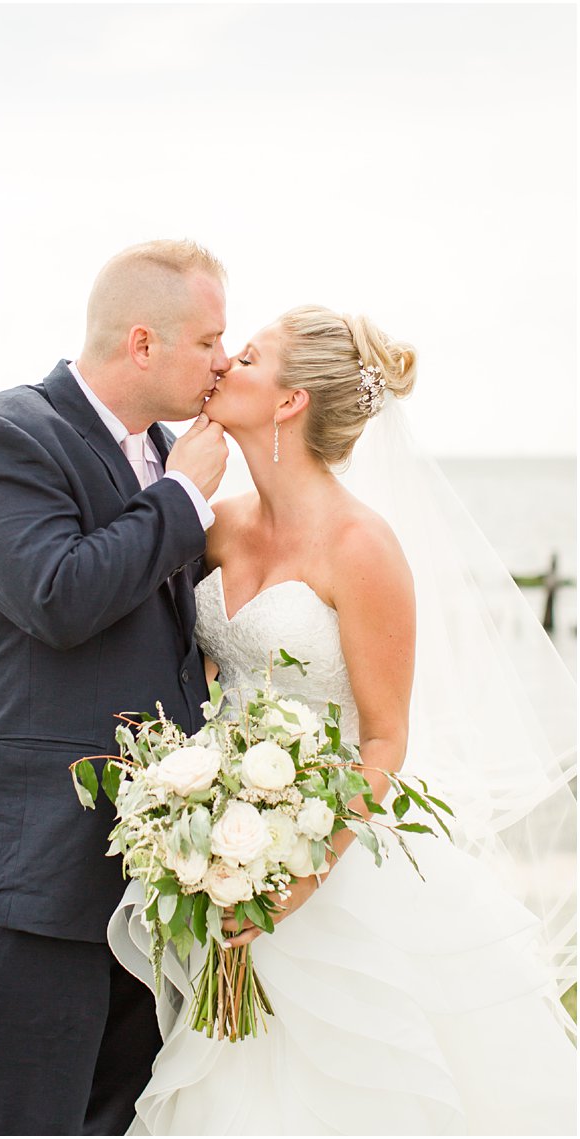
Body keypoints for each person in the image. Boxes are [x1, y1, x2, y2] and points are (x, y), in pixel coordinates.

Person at [108, 306, 577, 1133]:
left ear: (289, 403)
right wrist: (201, 827)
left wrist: (294, 880)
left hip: (332, 860)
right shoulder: (217, 525)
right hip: (224, 848)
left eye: (247, 356)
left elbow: (386, 739)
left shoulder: (362, 545)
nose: (224, 366)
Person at [0, 239, 232, 1135]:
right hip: (40, 865)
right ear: (143, 343)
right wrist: (181, 502)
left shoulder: (166, 449)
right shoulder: (6, 437)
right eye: (209, 341)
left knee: (123, 1115)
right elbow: (57, 596)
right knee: (36, 1118)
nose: (223, 361)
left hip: (150, 869)